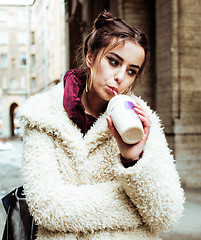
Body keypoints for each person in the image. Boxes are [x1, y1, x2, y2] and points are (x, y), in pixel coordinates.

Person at [19, 10, 184, 240]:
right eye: (113, 61)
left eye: (131, 71)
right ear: (90, 57)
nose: (120, 77)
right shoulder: (42, 116)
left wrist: (132, 162)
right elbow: (47, 208)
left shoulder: (142, 121)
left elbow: (166, 213)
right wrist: (136, 209)